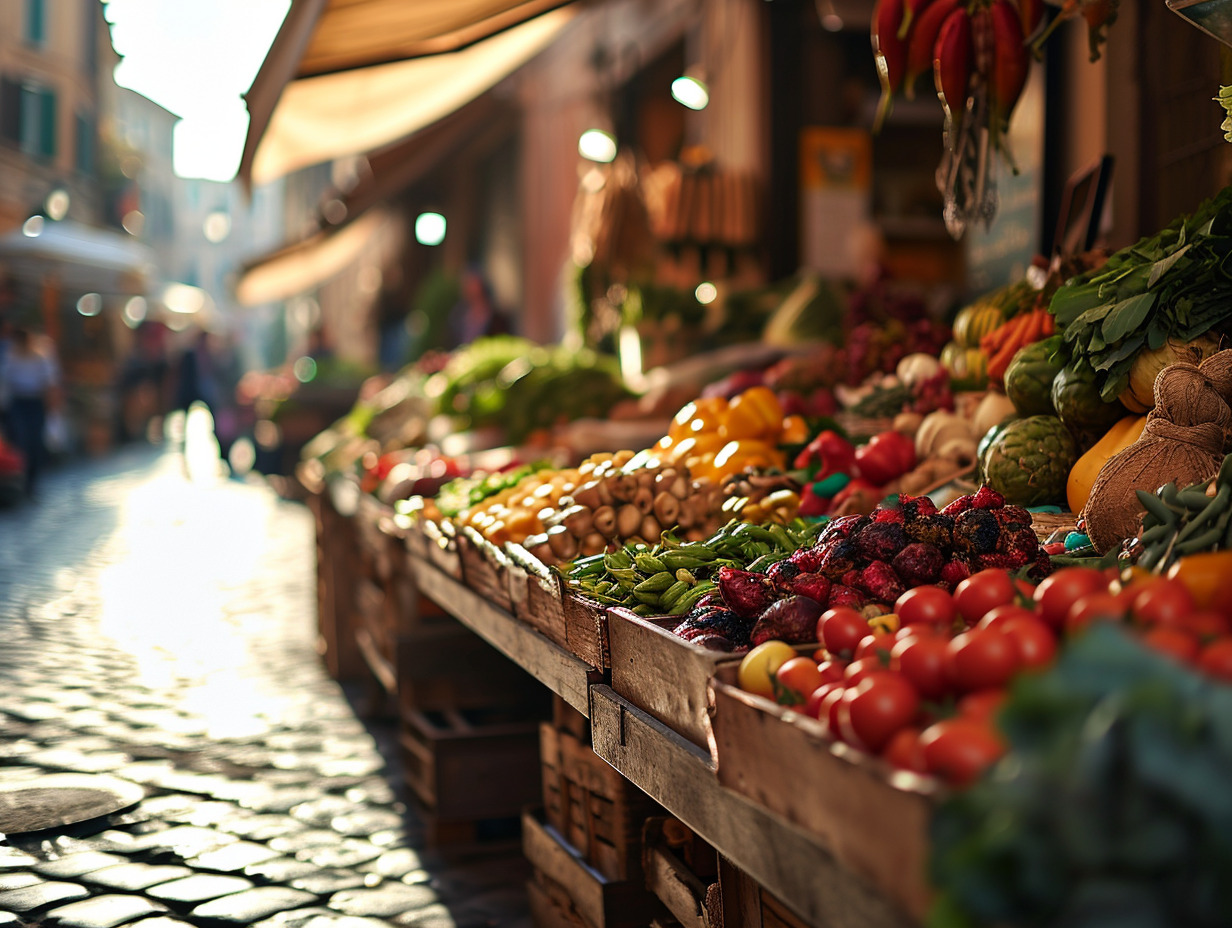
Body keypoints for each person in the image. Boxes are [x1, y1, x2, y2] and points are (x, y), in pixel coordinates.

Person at [0, 328, 59, 497]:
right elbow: (5, 383)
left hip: (35, 402)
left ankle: (33, 481)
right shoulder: (10, 359)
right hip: (18, 402)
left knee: (36, 441)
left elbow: (49, 382)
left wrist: (50, 404)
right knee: (22, 440)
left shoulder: (40, 358)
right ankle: (23, 481)